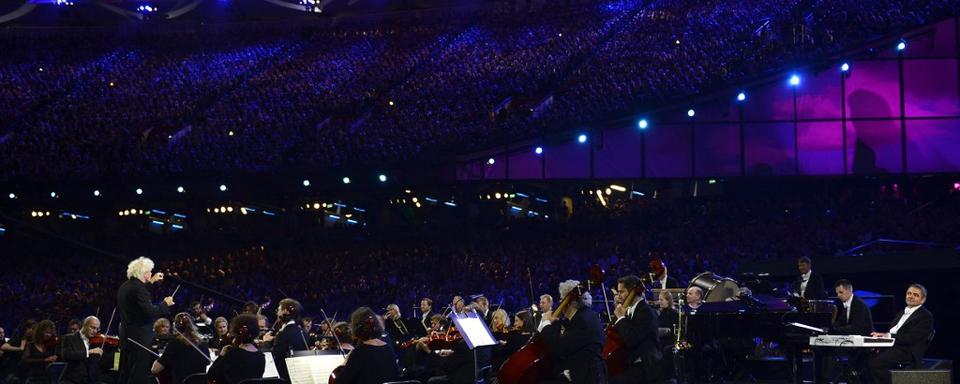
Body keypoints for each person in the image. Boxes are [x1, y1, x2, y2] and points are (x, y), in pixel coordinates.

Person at [117, 256, 174, 384]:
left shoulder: (126, 286)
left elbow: (138, 302)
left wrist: (151, 283)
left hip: (127, 336)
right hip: (139, 338)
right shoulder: (138, 289)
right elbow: (150, 312)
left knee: (125, 372)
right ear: (143, 273)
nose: (151, 274)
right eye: (149, 271)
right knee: (138, 374)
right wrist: (165, 304)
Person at [540, 280, 606, 384]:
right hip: (581, 372)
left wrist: (545, 323)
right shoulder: (586, 315)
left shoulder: (582, 321)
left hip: (587, 378)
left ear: (568, 301)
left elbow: (558, 347)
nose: (560, 304)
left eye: (562, 299)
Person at [868, 284, 934, 384]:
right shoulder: (902, 311)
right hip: (893, 346)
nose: (910, 296)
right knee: (864, 356)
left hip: (907, 351)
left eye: (915, 295)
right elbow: (893, 331)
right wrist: (882, 337)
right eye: (909, 293)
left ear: (923, 300)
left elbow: (911, 338)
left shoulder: (925, 316)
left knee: (875, 363)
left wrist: (888, 336)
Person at [815, 279, 874, 383]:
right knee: (821, 348)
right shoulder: (847, 305)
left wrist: (834, 330)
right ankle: (824, 379)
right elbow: (840, 323)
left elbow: (856, 327)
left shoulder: (858, 304)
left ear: (849, 291)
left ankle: (829, 379)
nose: (838, 295)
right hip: (852, 341)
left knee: (829, 350)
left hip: (862, 344)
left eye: (840, 292)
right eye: (837, 292)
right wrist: (829, 329)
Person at [610, 275, 661, 384]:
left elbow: (632, 339)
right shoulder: (628, 310)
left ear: (632, 292)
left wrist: (621, 318)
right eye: (618, 292)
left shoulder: (646, 312)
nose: (619, 296)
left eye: (621, 292)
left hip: (645, 365)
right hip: (629, 362)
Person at [330, 307, 399, 384]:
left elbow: (339, 382)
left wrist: (345, 363)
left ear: (356, 328)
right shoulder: (388, 349)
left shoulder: (359, 352)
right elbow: (395, 376)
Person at [152, 313, 211, 384]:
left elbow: (155, 369)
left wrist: (157, 360)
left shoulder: (174, 344)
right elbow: (208, 362)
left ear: (176, 327)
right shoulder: (203, 343)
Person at [207, 315, 266, 384]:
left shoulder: (233, 354)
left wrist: (221, 356)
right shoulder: (261, 357)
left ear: (236, 331)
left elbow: (211, 375)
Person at [261, 298, 309, 383]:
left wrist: (266, 342)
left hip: (284, 379)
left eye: (279, 310)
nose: (277, 313)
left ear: (286, 311)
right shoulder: (304, 333)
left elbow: (272, 357)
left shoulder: (284, 333)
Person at [59, 316, 104, 384]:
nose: (95, 331)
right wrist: (89, 352)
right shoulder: (69, 338)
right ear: (84, 325)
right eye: (93, 328)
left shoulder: (96, 342)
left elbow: (108, 362)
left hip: (90, 381)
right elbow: (67, 355)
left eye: (97, 329)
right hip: (72, 380)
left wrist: (117, 351)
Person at [21, 320, 58, 384]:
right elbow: (25, 360)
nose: (49, 335)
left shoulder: (52, 346)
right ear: (40, 332)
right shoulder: (31, 345)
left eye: (50, 333)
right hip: (33, 379)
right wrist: (44, 360)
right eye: (46, 332)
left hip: (48, 379)